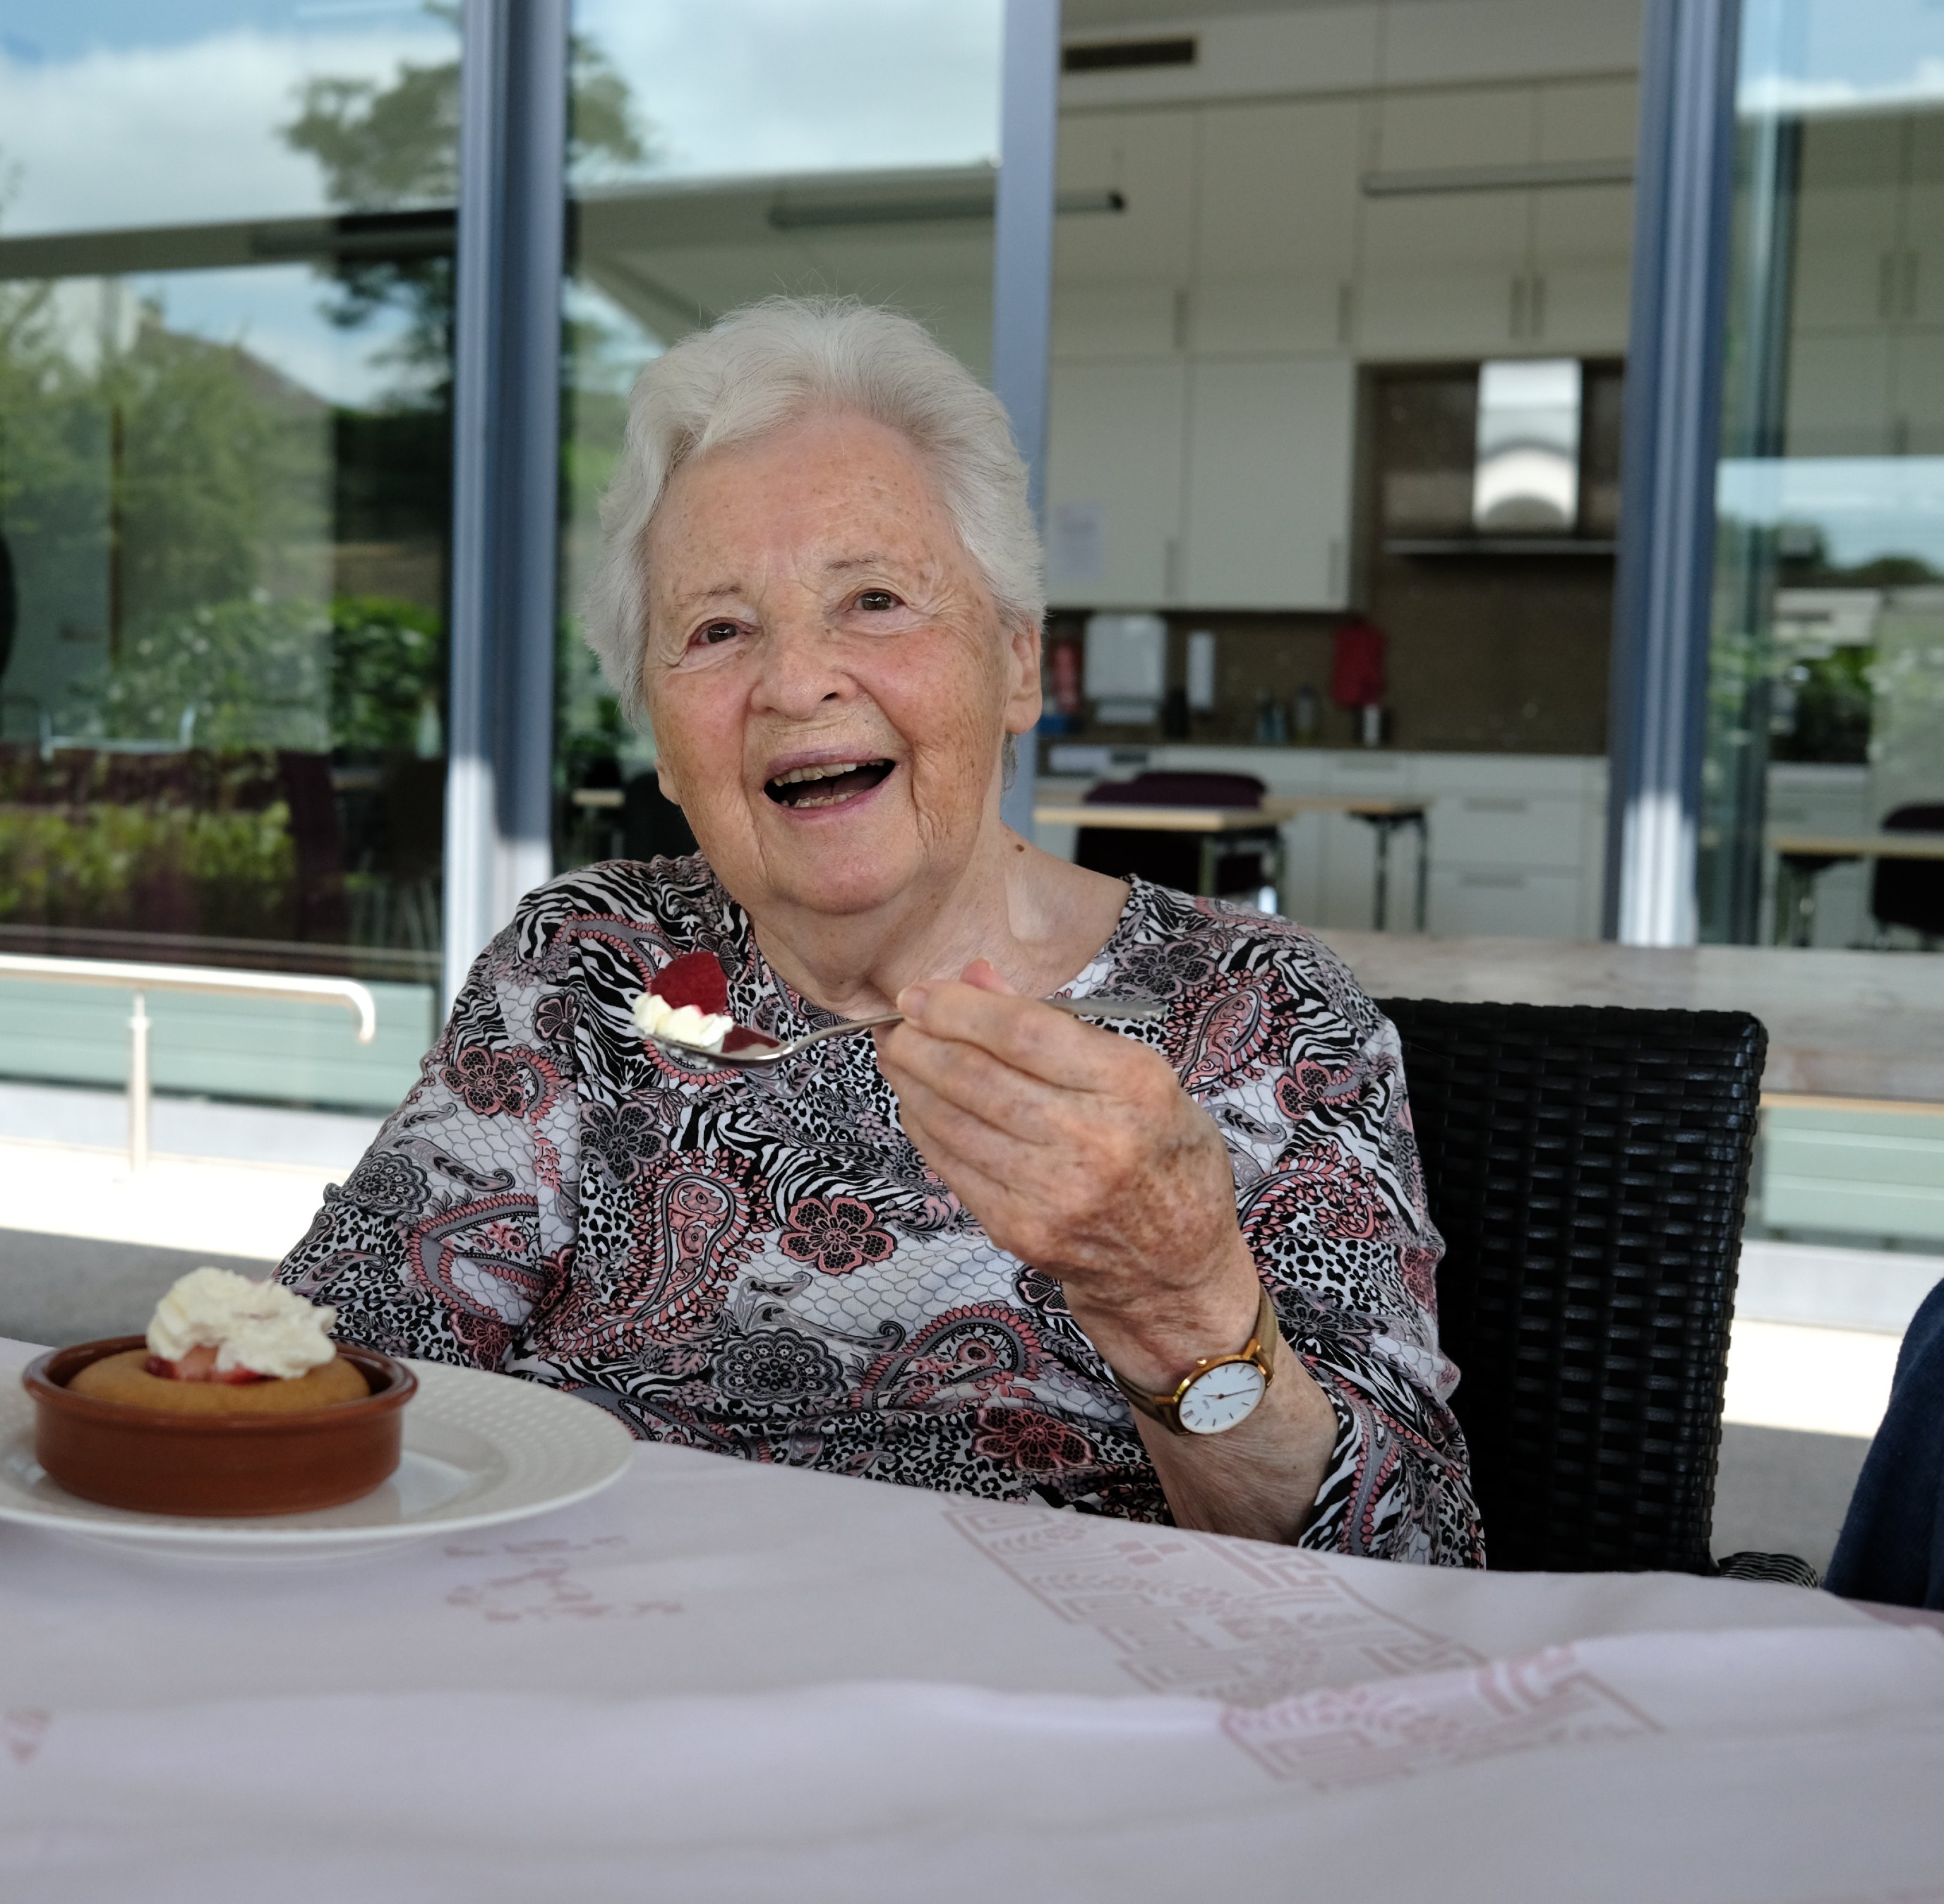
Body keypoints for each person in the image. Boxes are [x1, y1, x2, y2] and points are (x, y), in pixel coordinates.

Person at [280, 297, 1479, 1563]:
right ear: (663, 747)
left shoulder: (1260, 1015)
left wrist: (1179, 1300)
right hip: (607, 1671)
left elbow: (1411, 1573)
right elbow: (331, 1363)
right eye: (718, 630)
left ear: (1016, 667)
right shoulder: (589, 963)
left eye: (875, 600)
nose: (798, 682)